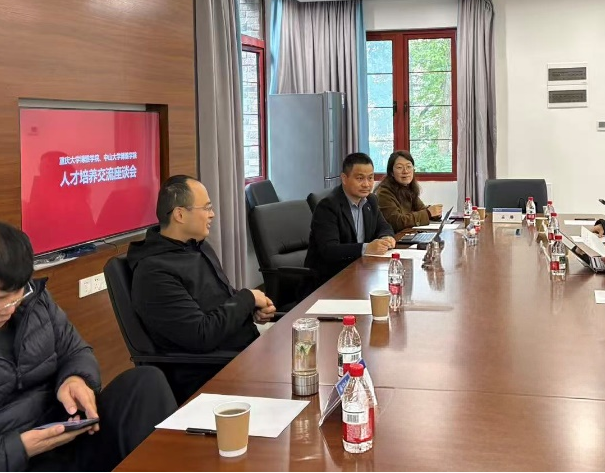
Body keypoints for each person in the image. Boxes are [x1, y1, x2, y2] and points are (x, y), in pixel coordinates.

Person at [0, 222, 176, 472]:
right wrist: (20, 448)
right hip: (17, 459)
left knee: (145, 382)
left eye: (17, 294)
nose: (10, 307)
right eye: (1, 299)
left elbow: (75, 351)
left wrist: (74, 379)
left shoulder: (35, 301)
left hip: (65, 431)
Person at [128, 175, 276, 403]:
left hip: (245, 351)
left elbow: (220, 300)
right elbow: (201, 335)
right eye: (206, 208)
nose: (212, 214)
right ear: (179, 214)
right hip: (212, 371)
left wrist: (251, 309)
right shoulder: (154, 272)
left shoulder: (198, 248)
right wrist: (247, 299)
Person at [305, 153, 396, 283]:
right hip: (330, 279)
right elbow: (329, 250)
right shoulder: (328, 206)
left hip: (362, 272)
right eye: (360, 178)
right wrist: (366, 248)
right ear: (344, 178)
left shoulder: (370, 200)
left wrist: (386, 237)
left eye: (370, 178)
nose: (366, 184)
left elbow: (384, 226)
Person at [375, 150, 443, 232]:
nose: (405, 171)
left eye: (409, 166)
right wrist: (428, 213)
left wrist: (434, 213)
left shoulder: (408, 188)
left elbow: (421, 209)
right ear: (391, 172)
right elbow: (396, 222)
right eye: (399, 167)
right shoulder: (384, 193)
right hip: (393, 237)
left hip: (408, 234)